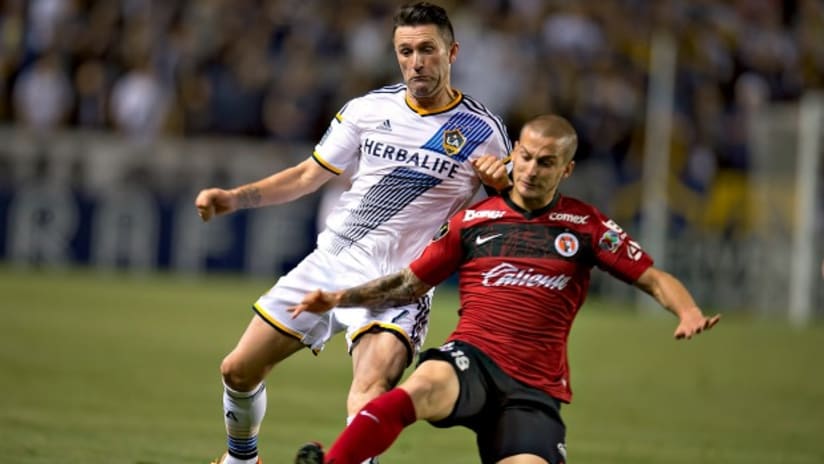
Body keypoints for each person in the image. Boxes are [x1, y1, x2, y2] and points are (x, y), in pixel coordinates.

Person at [289, 114, 721, 464]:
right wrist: (340, 298)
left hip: (533, 390)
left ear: (566, 169)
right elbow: (408, 284)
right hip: (471, 360)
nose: (532, 170)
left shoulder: (586, 225)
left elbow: (652, 276)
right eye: (527, 157)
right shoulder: (473, 221)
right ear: (514, 153)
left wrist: (687, 312)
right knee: (416, 390)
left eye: (546, 163)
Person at [194, 3, 512, 463]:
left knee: (368, 393)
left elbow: (504, 216)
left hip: (398, 284)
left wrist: (500, 185)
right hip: (330, 265)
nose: (416, 61)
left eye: (427, 49)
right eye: (406, 51)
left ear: (452, 52)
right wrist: (234, 198)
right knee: (238, 370)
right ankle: (242, 458)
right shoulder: (367, 109)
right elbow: (307, 176)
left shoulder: (483, 131)